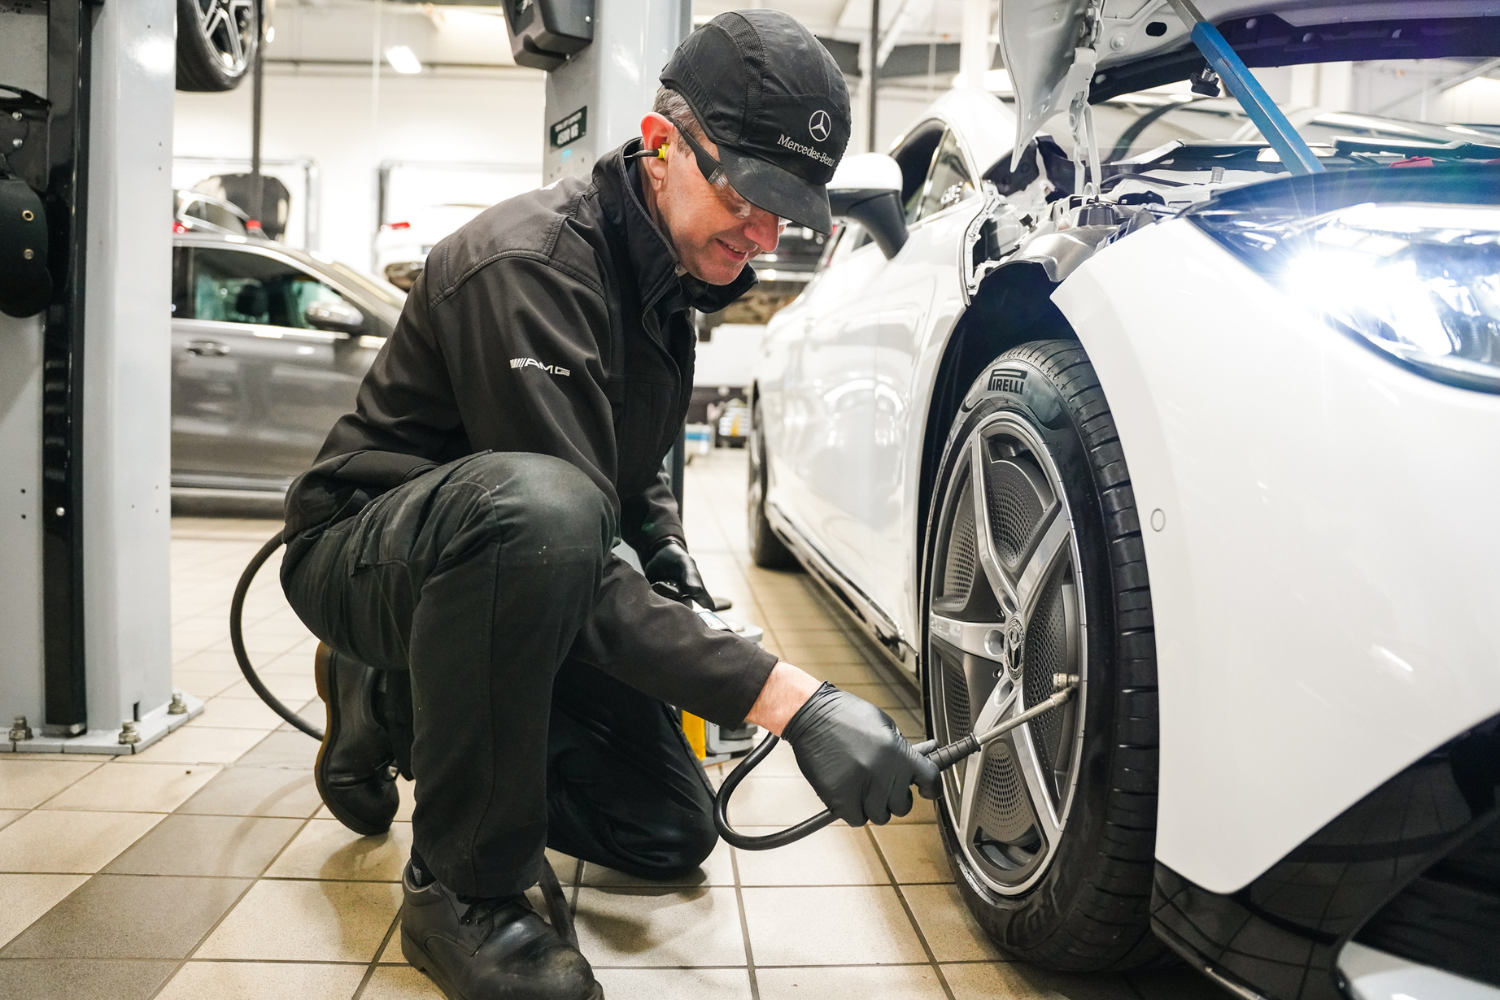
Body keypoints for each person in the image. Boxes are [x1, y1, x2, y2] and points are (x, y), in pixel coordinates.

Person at [280, 11, 939, 1000]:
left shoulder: (668, 285)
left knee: (667, 828)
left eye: (788, 211)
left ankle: (408, 701)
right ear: (663, 142)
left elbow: (631, 482)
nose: (764, 236)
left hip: (512, 580)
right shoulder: (533, 266)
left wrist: (671, 568)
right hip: (370, 553)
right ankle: (461, 884)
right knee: (541, 513)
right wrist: (801, 701)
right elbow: (564, 543)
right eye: (750, 195)